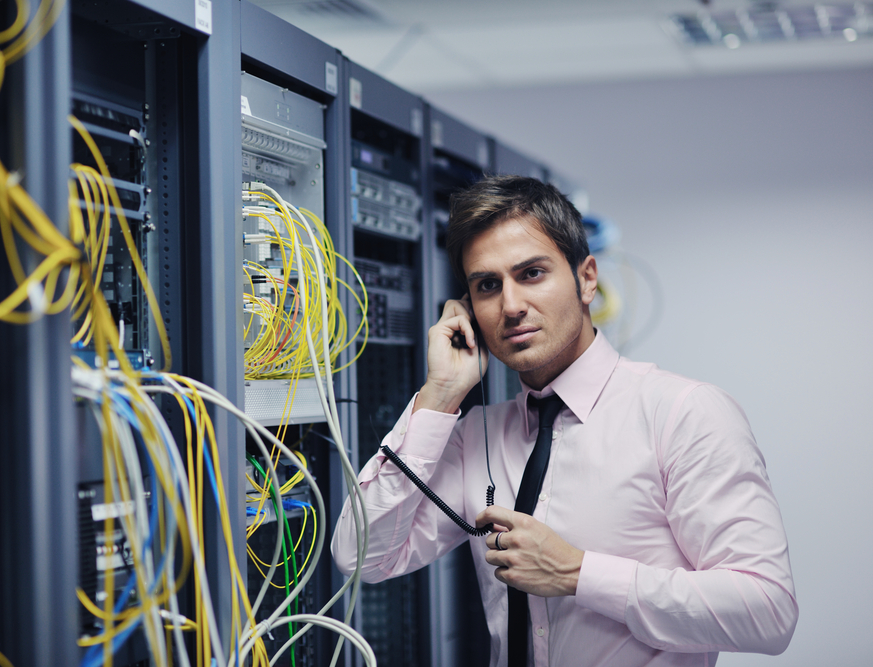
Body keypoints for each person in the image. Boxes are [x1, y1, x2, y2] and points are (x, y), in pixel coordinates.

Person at [330, 175, 797, 667]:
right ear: (469, 308)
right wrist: (441, 394)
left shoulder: (683, 413)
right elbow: (362, 556)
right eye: (488, 285)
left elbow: (767, 611)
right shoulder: (476, 436)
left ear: (587, 277)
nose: (510, 306)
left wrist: (578, 574)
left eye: (531, 273)